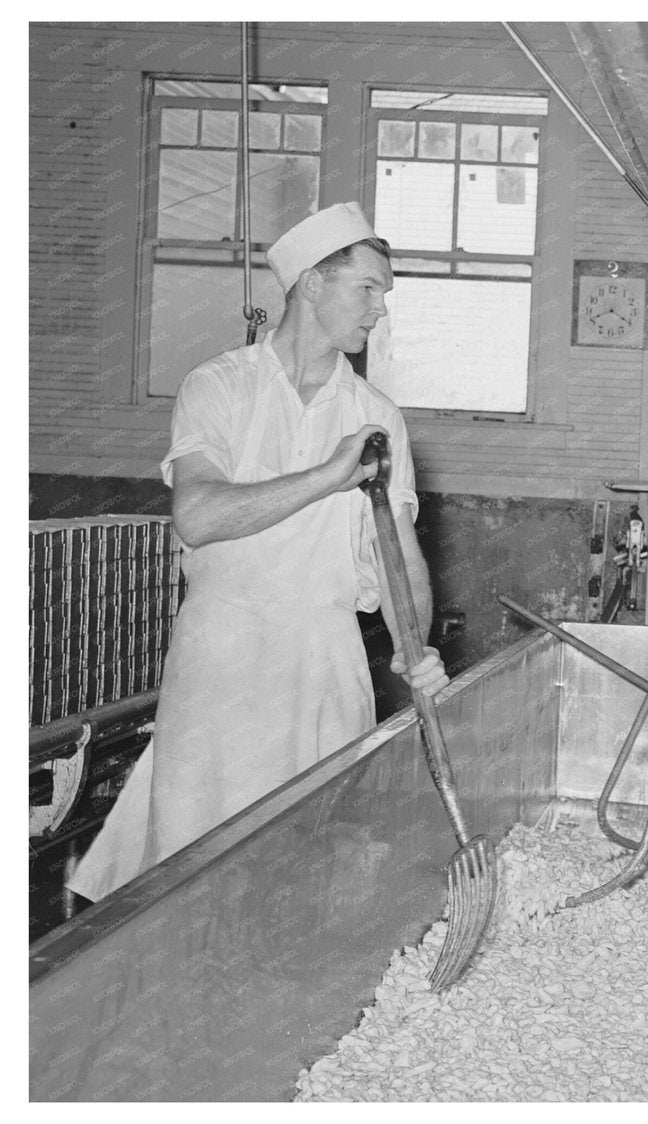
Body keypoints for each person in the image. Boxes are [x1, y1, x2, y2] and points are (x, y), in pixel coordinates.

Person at [69, 202, 448, 901]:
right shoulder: (218, 387)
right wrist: (326, 477)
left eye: (382, 296)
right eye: (367, 288)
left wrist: (413, 644)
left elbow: (399, 553)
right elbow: (199, 515)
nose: (378, 312)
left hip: (323, 657)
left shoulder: (377, 416)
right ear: (311, 283)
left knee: (307, 866)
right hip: (223, 655)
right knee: (189, 867)